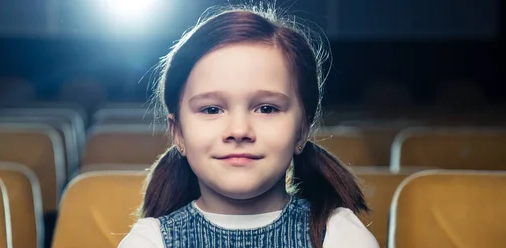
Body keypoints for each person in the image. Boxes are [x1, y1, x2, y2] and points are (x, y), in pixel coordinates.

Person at [119, 4, 379, 248]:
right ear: (179, 133)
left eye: (267, 108)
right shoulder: (149, 241)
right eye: (212, 109)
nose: (239, 130)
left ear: (302, 129)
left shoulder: (340, 235)